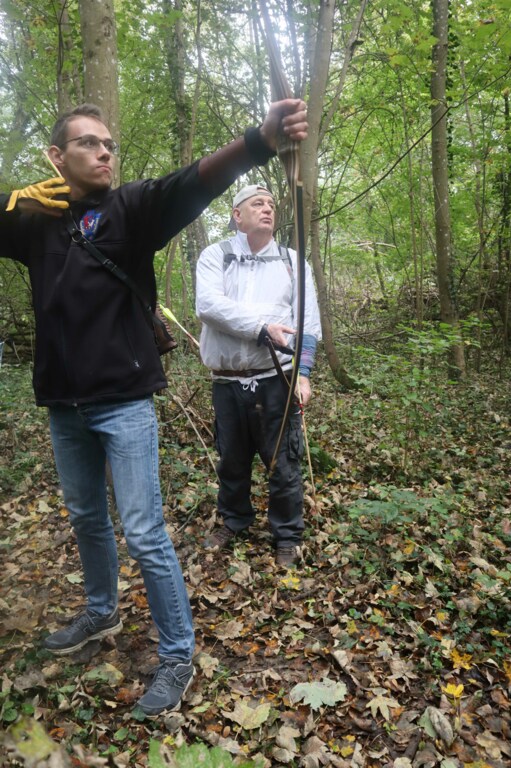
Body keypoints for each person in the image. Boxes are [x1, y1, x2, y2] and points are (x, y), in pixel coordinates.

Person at [0, 100, 308, 716]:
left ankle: (177, 655)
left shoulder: (131, 209)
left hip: (123, 402)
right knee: (86, 517)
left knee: (143, 531)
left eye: (108, 143)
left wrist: (260, 140)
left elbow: (193, 182)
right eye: (88, 143)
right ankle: (102, 611)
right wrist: (11, 202)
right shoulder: (36, 223)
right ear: (56, 157)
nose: (104, 151)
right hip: (63, 403)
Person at [196, 184, 321, 567]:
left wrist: (303, 373)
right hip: (226, 380)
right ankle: (235, 520)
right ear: (237, 215)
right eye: (257, 204)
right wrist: (262, 328)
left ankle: (287, 535)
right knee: (231, 459)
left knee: (283, 461)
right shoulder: (215, 255)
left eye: (270, 204)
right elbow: (208, 305)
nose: (267, 209)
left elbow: (308, 321)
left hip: (276, 380)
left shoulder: (292, 262)